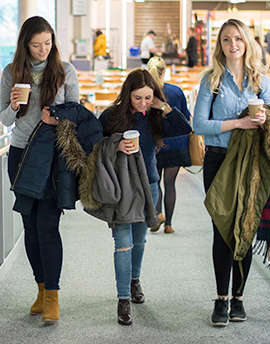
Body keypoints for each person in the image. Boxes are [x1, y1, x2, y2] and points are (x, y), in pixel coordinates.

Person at [193, 18, 270, 327]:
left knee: (246, 228)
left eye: (238, 39)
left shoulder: (260, 80)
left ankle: (238, 296)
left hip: (251, 161)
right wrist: (237, 123)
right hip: (218, 160)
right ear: (220, 45)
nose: (233, 45)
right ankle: (221, 299)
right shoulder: (210, 80)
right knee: (222, 230)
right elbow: (198, 125)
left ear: (247, 42)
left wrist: (265, 118)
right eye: (226, 40)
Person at [0, 16, 80, 324]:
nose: (43, 49)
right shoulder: (11, 72)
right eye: (36, 44)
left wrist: (56, 118)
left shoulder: (64, 71)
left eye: (48, 43)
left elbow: (77, 113)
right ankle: (41, 289)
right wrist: (16, 106)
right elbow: (5, 121)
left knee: (48, 226)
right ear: (25, 45)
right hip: (20, 155)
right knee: (30, 229)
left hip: (53, 156)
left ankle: (54, 296)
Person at [96, 69, 191, 326]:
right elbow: (92, 146)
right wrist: (115, 146)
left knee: (140, 239)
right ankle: (123, 299)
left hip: (149, 183)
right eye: (137, 98)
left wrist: (162, 106)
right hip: (120, 187)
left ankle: (135, 280)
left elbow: (185, 128)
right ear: (127, 95)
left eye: (147, 98)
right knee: (122, 242)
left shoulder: (155, 115)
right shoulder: (111, 116)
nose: (142, 104)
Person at [146, 56, 191, 234]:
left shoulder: (147, 94)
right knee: (170, 184)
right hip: (177, 145)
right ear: (165, 71)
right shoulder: (176, 91)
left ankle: (158, 213)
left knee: (155, 182)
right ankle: (169, 224)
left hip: (156, 145)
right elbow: (185, 118)